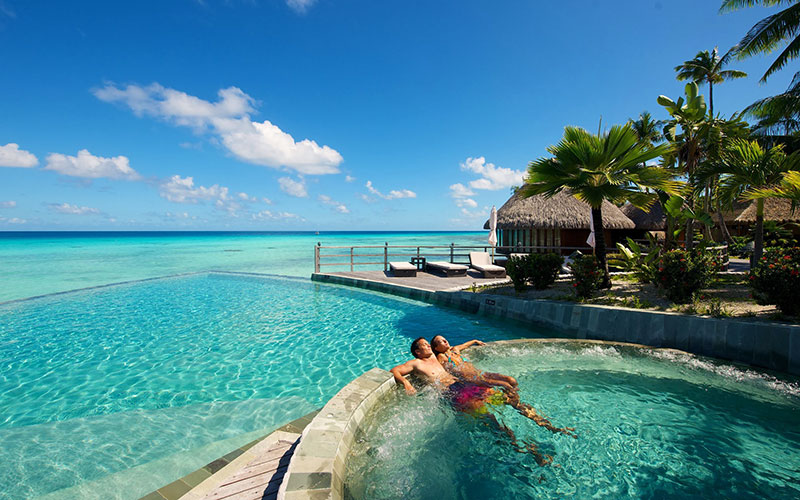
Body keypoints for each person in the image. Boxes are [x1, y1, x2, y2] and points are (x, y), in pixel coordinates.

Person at [390, 337, 577, 466]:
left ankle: (548, 425)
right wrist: (406, 383)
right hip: (454, 394)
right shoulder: (416, 363)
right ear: (417, 351)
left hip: (465, 385)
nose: (428, 346)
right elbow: (395, 370)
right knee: (492, 422)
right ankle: (528, 451)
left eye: (428, 343)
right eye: (424, 345)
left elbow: (455, 350)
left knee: (509, 400)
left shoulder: (440, 357)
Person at [430, 335, 518, 390]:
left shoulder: (455, 350)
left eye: (444, 339)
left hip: (480, 373)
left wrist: (475, 341)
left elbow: (465, 345)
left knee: (511, 380)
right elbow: (438, 369)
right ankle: (519, 405)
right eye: (441, 341)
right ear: (436, 348)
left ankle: (514, 400)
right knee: (505, 384)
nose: (445, 341)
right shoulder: (442, 356)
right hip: (471, 379)